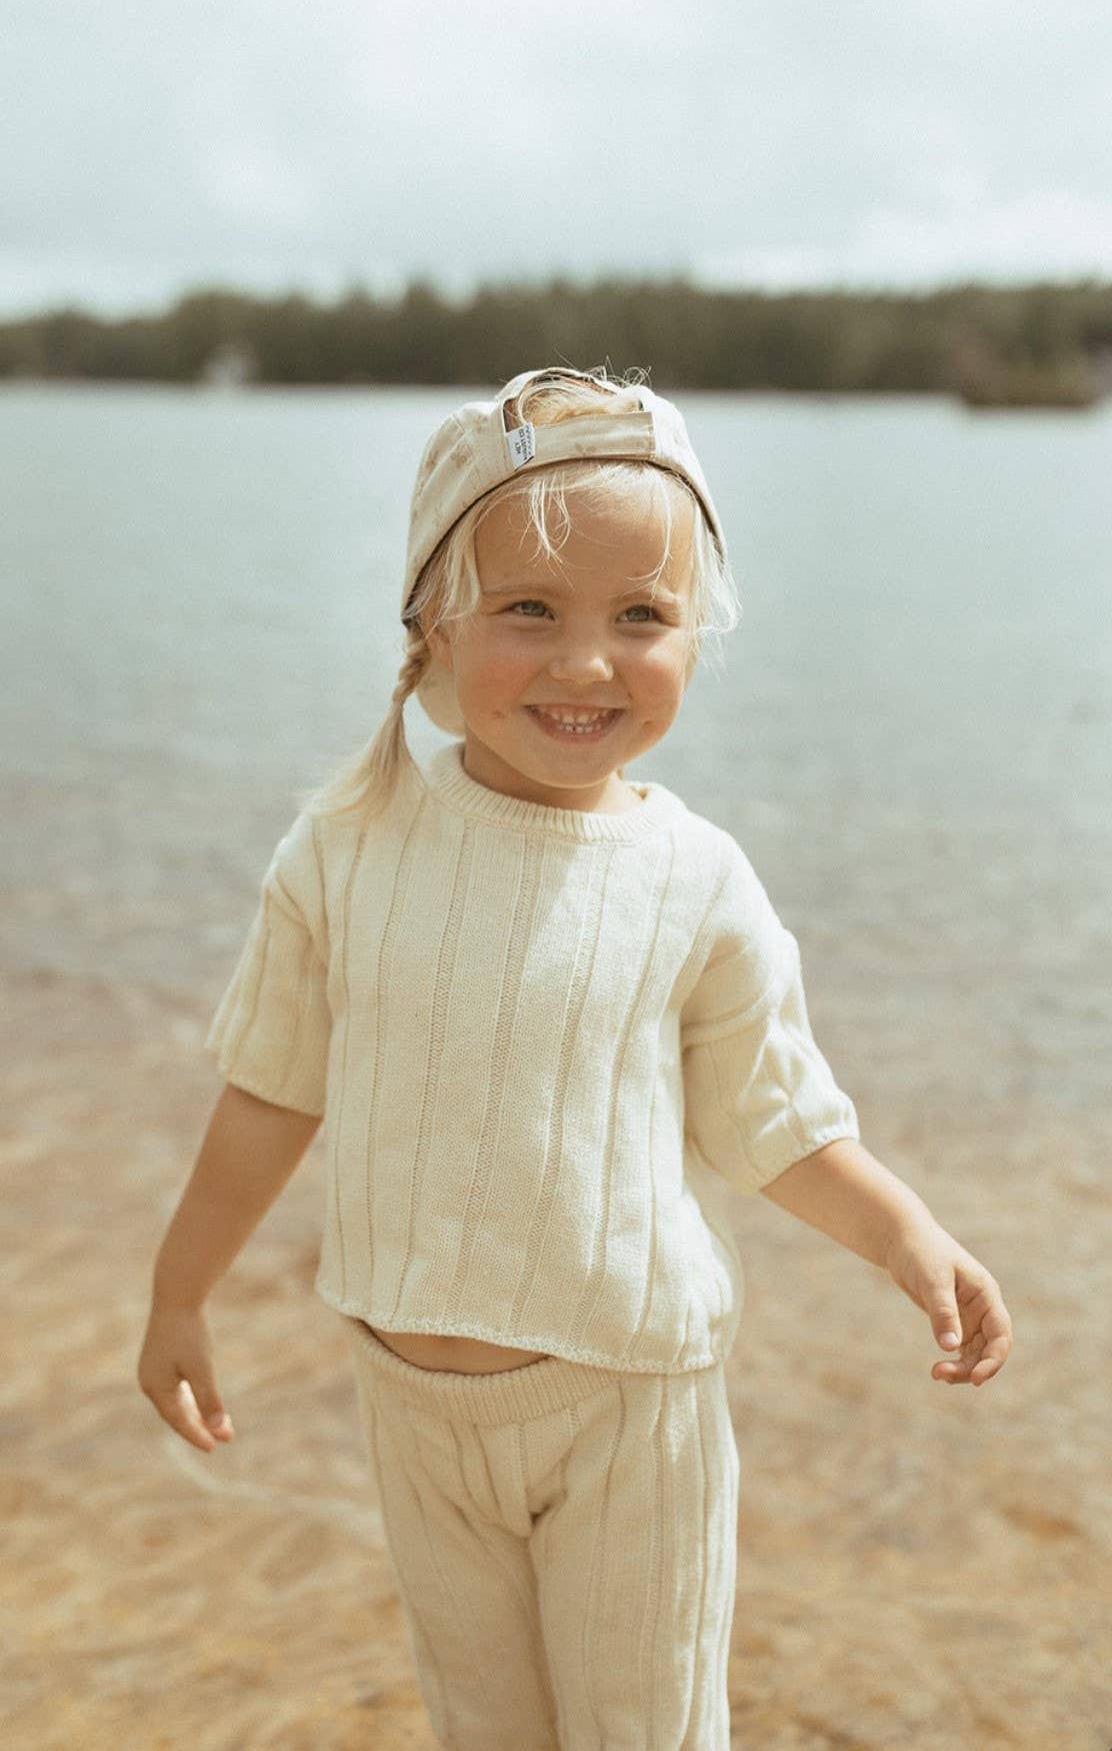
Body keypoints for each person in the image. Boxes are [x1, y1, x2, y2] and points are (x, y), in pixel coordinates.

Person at [138, 364, 1014, 1750]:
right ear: (429, 628)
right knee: (483, 1726)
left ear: (693, 643)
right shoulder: (345, 851)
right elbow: (267, 1094)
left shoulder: (696, 879)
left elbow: (775, 1119)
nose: (586, 660)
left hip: (625, 1404)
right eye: (529, 609)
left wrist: (910, 1237)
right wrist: (179, 1292)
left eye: (641, 617)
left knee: (645, 1728)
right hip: (412, 1401)